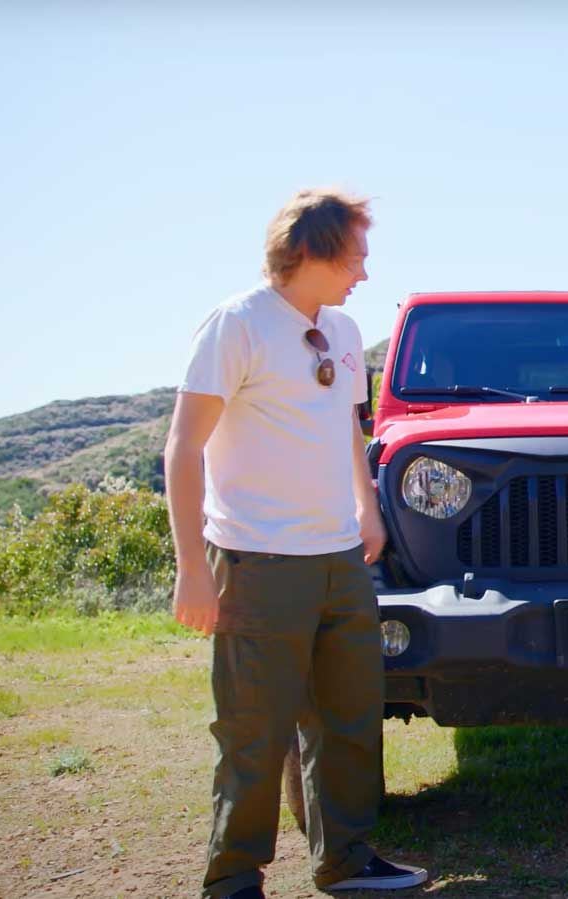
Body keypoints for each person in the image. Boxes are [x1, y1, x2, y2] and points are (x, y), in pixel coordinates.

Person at [165, 188, 428, 898]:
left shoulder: (341, 332)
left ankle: (345, 859)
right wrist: (192, 566)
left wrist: (365, 509)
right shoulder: (237, 325)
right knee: (255, 727)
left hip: (339, 555)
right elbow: (183, 447)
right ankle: (233, 879)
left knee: (348, 715)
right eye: (354, 258)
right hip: (255, 559)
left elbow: (347, 426)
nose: (363, 274)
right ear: (309, 250)